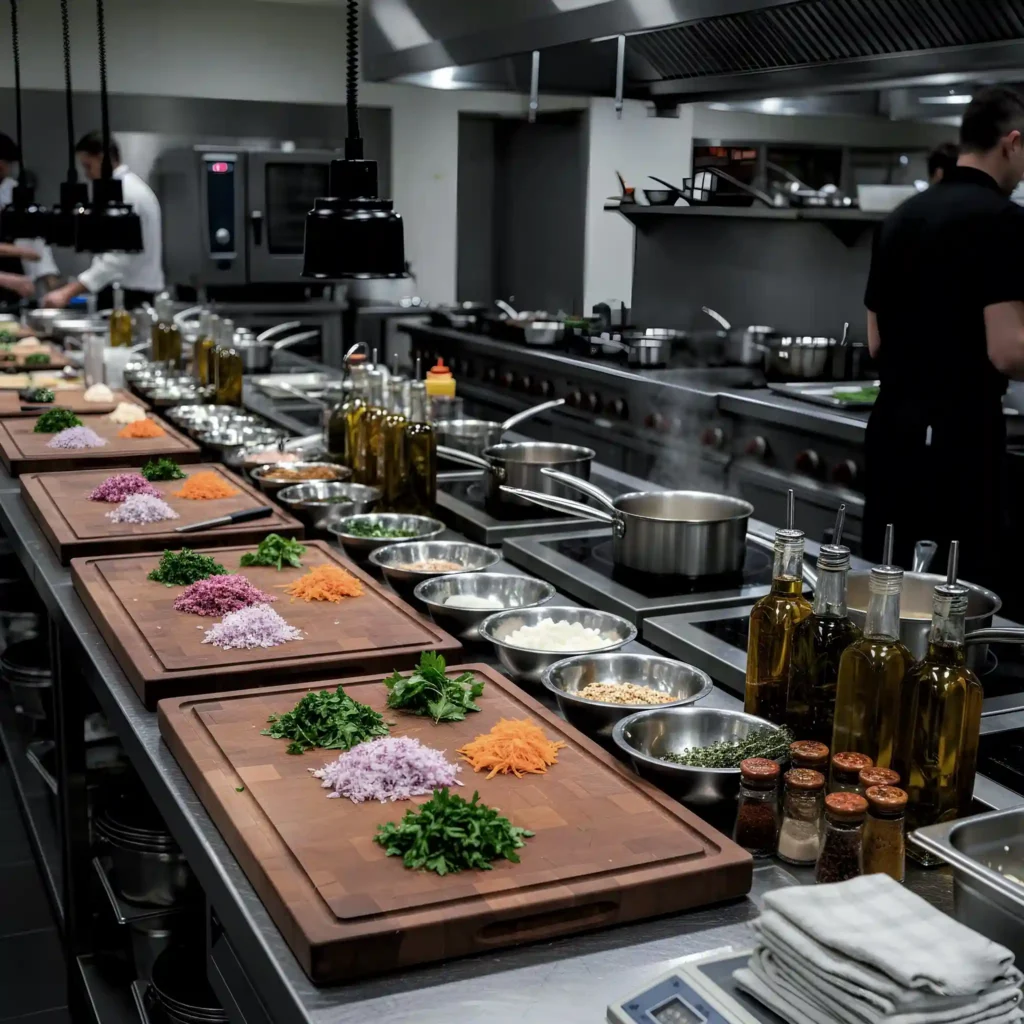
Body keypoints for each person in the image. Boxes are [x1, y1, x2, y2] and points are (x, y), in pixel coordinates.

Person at [863, 86, 1024, 593]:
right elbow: (1008, 349)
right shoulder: (1003, 221)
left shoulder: (900, 217)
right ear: (1012, 142)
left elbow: (875, 343)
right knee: (952, 601)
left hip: (892, 431)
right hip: (958, 440)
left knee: (884, 594)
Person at [42, 131, 164, 309]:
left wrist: (68, 291)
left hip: (128, 297)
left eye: (88, 166)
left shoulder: (124, 193)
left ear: (103, 159)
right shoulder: (131, 188)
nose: (87, 175)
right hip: (129, 293)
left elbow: (116, 259)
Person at [0, 132, 59, 305]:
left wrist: (51, 281)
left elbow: (35, 241)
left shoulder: (14, 192)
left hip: (14, 290)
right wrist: (22, 252)